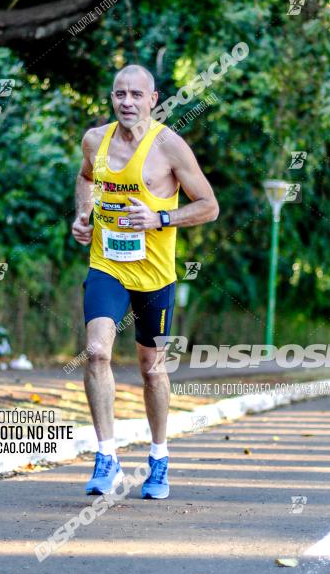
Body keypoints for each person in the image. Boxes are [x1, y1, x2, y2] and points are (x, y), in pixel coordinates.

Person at [71, 64, 219, 499]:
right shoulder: (94, 140)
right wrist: (83, 215)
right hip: (108, 266)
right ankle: (107, 457)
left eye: (137, 94)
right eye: (120, 94)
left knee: (152, 370)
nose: (127, 102)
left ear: (154, 100)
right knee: (97, 353)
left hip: (155, 275)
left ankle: (158, 458)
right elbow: (85, 179)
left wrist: (160, 218)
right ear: (112, 98)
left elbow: (209, 206)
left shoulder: (170, 147)